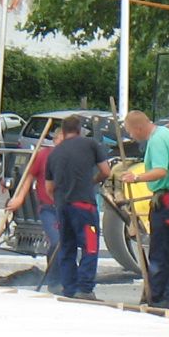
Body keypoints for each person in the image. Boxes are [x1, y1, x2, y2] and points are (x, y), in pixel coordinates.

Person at [121, 109, 169, 311]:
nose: (131, 136)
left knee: (160, 252)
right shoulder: (167, 134)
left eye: (130, 132)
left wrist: (136, 177)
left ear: (138, 127)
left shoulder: (156, 141)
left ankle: (159, 298)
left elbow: (161, 170)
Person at [43, 115, 112, 300]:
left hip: (63, 208)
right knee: (89, 246)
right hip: (84, 206)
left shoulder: (54, 153)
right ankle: (85, 289)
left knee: (67, 247)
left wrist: (58, 200)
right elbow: (106, 171)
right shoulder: (90, 145)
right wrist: (93, 181)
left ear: (63, 132)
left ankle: (69, 288)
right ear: (80, 129)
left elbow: (49, 187)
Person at [2, 135, 62, 289]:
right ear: (55, 139)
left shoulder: (74, 156)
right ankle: (54, 281)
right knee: (56, 241)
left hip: (68, 208)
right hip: (48, 208)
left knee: (68, 244)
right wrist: (20, 198)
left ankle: (68, 279)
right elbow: (29, 175)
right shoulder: (44, 155)